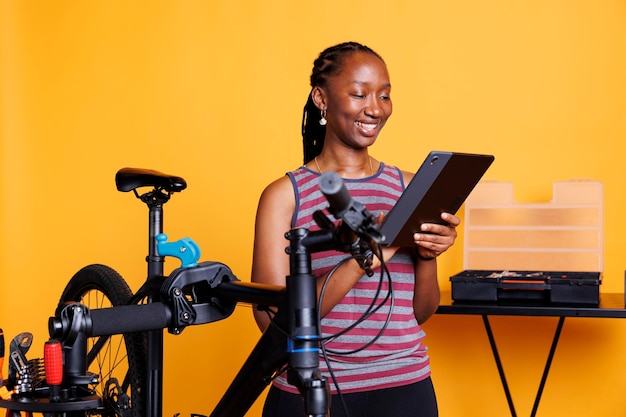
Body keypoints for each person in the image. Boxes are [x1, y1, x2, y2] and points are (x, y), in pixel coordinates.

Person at [251, 41, 460, 417]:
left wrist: (427, 256)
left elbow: (422, 312)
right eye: (359, 94)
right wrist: (366, 255)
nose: (375, 109)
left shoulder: (409, 188)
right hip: (312, 391)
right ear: (321, 98)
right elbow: (273, 324)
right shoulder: (285, 196)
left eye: (384, 96)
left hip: (406, 387)